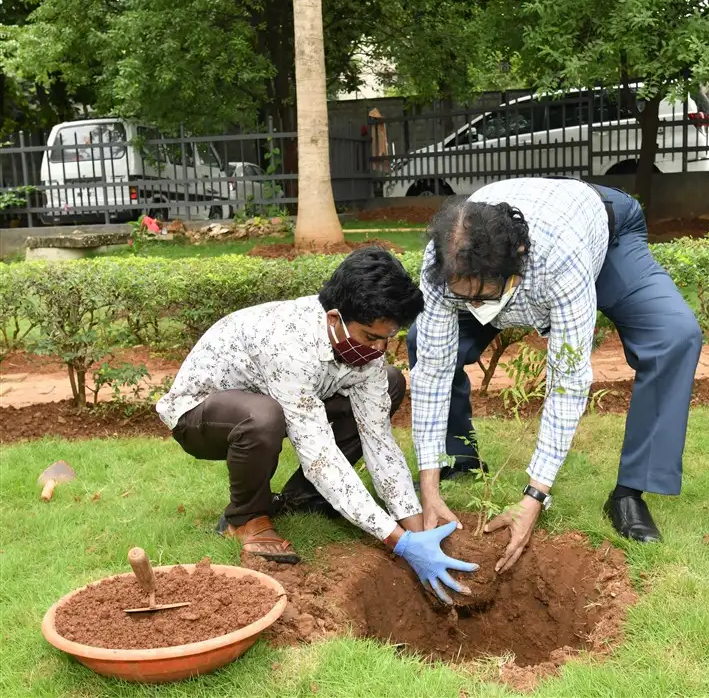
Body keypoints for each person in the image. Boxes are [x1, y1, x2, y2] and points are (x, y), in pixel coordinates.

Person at [407, 177, 703, 569]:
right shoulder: (445, 261)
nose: (473, 307)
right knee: (419, 341)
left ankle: (630, 492)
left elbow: (567, 381)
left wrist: (534, 496)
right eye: (466, 298)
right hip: (501, 263)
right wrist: (427, 489)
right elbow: (431, 371)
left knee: (675, 337)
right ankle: (458, 459)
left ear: (518, 263)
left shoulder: (560, 261)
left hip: (602, 234)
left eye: (483, 297)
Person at [156, 248, 477, 603]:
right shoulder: (289, 346)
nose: (380, 347)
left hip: (280, 399)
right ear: (335, 319)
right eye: (371, 337)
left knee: (390, 381)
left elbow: (379, 442)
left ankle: (300, 500)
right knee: (264, 417)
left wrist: (415, 526)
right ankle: (244, 519)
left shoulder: (364, 343)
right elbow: (320, 455)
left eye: (388, 337)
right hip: (202, 414)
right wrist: (398, 542)